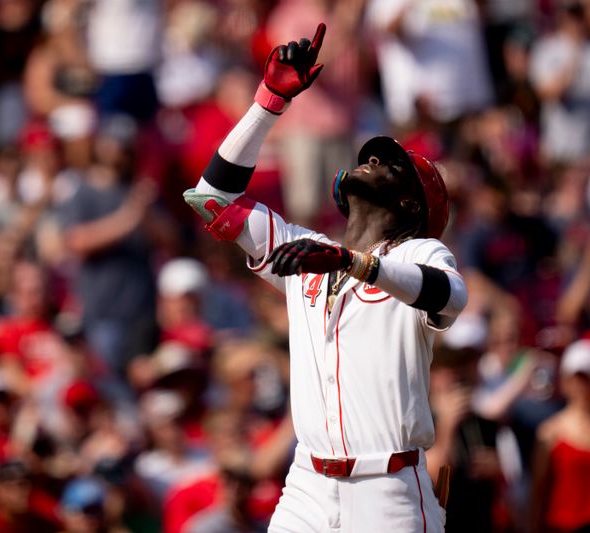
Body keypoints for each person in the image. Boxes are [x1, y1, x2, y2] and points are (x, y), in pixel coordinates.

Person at [183, 23, 467, 531]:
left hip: (389, 491)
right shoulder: (309, 251)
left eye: (391, 164)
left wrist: (352, 263)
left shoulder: (421, 251)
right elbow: (210, 198)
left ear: (409, 203)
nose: (373, 158)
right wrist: (268, 101)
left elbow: (451, 296)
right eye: (372, 155)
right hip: (306, 487)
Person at [529, 339, 590, 533]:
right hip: (562, 527)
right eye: (578, 378)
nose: (583, 385)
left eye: (586, 378)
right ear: (565, 380)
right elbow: (538, 490)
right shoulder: (550, 432)